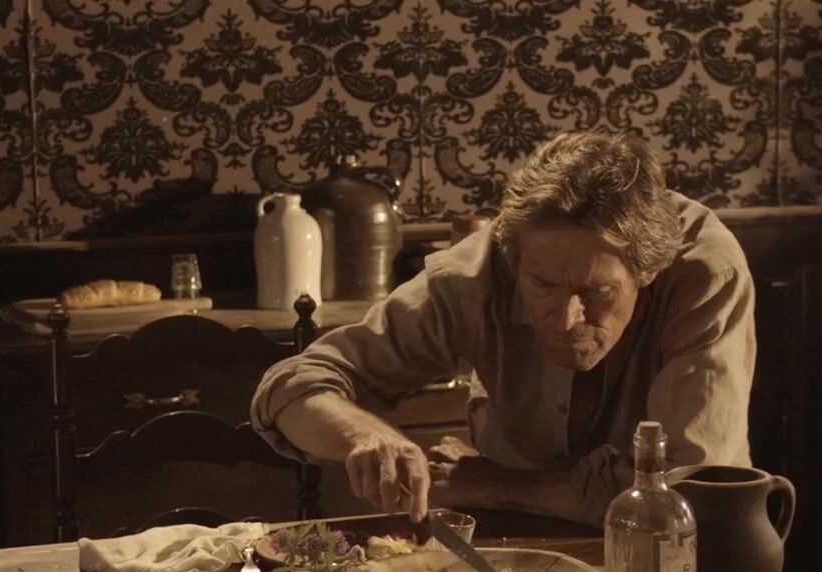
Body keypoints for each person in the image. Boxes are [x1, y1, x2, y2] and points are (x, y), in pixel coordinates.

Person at [250, 131, 756, 526]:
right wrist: (366, 436)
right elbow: (290, 388)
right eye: (542, 285)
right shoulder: (476, 274)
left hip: (683, 560)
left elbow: (687, 492)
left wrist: (497, 484)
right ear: (514, 260)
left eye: (597, 291)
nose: (566, 319)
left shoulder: (706, 274)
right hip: (517, 547)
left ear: (647, 271)